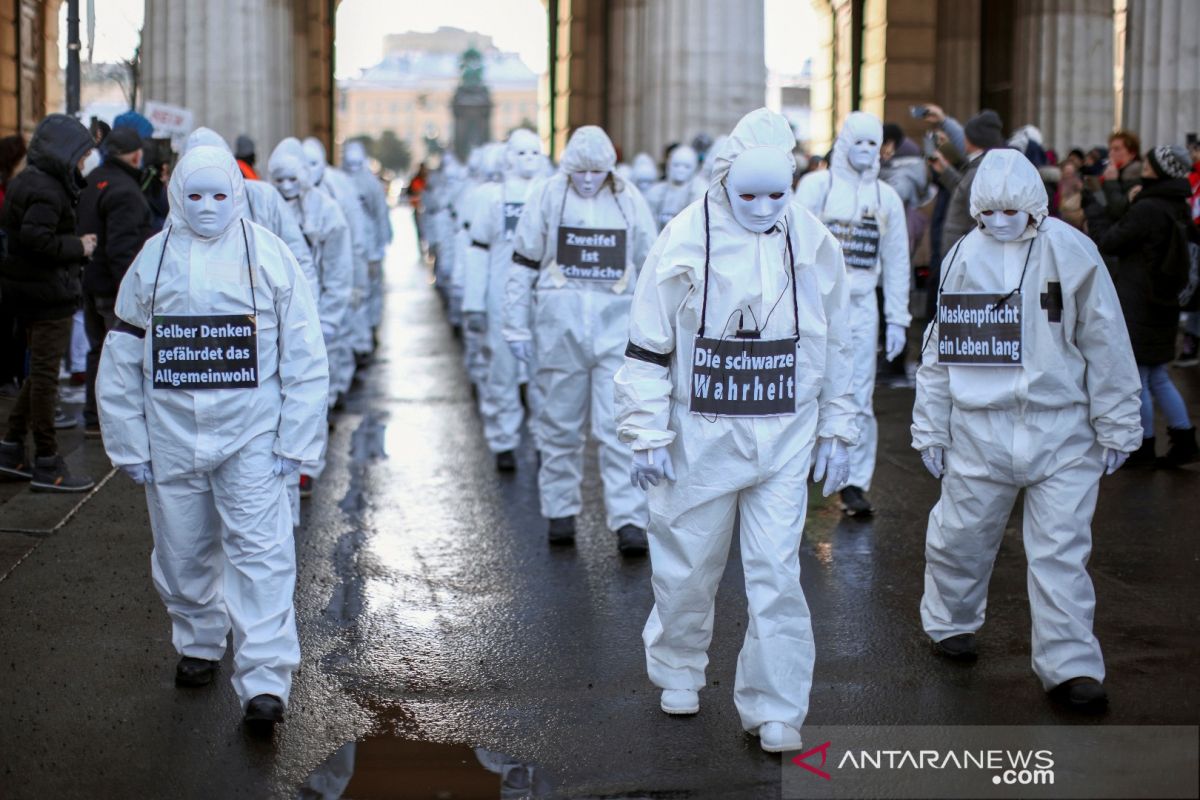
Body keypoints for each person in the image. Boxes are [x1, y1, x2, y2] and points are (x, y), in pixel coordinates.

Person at [615, 107, 855, 753]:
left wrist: (838, 421)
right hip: (702, 433)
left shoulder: (809, 239)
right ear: (724, 180)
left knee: (778, 572)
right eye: (749, 194)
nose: (762, 207)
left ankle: (776, 705)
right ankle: (679, 666)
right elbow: (647, 339)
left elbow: (840, 334)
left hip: (784, 432)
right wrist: (647, 429)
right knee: (688, 564)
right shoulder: (685, 237)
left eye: (776, 194)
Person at [96, 144, 328, 729]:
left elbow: (304, 353)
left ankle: (265, 681)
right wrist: (128, 439)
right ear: (176, 195)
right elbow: (122, 353)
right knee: (182, 550)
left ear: (238, 194)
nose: (206, 208)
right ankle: (199, 641)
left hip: (252, 435)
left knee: (261, 554)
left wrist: (295, 441)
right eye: (194, 196)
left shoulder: (270, 257)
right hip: (172, 435)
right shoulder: (153, 260)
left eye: (218, 195)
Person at [912, 149, 1142, 712]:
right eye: (987, 211)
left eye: (1010, 210)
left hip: (1060, 428)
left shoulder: (1070, 251)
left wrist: (1118, 421)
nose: (999, 221)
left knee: (1061, 553)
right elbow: (943, 348)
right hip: (979, 426)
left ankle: (1070, 666)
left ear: (1035, 206)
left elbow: (1104, 338)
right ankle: (950, 622)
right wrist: (931, 427)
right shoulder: (965, 254)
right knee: (961, 537)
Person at [504, 125, 656, 554]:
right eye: (580, 172)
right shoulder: (548, 195)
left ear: (608, 168)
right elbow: (522, 263)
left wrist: (657, 333)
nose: (588, 180)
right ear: (568, 167)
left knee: (618, 428)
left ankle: (628, 518)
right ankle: (560, 510)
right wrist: (515, 325)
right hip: (559, 329)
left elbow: (651, 265)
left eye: (596, 172)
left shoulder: (628, 199)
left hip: (615, 331)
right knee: (558, 425)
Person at [796, 111, 911, 516]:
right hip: (815, 305)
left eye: (872, 143)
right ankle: (800, 469)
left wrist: (898, 317)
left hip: (862, 308)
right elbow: (792, 243)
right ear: (844, 144)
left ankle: (853, 483)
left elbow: (897, 260)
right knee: (806, 389)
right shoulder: (815, 187)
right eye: (858, 142)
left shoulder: (887, 198)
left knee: (858, 396)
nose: (865, 151)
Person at [0, 114, 96, 491]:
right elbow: (37, 240)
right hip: (48, 296)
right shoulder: (47, 188)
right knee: (44, 381)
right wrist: (80, 246)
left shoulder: (31, 181)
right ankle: (47, 462)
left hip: (33, 293)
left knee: (39, 373)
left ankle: (10, 447)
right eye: (81, 155)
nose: (84, 163)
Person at [1098, 145, 1199, 467]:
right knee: (1157, 376)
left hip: (1138, 299)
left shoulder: (1148, 207)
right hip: (1164, 300)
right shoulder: (1177, 205)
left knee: (1137, 378)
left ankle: (1143, 445)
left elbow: (1111, 240)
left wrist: (1124, 201)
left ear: (1159, 169)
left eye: (1151, 161)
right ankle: (1184, 440)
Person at [268, 137, 355, 499]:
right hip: (273, 314)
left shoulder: (327, 212)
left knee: (310, 391)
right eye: (279, 181)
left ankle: (308, 465)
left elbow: (338, 270)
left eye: (293, 180)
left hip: (313, 313)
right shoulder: (264, 208)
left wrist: (331, 317)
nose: (287, 188)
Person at [462, 129, 544, 471]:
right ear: (508, 157)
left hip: (542, 295)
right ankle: (503, 440)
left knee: (545, 371)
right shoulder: (490, 197)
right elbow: (477, 250)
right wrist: (474, 302)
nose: (527, 160)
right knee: (502, 369)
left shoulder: (549, 194)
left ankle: (544, 440)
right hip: (499, 292)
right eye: (521, 153)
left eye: (534, 153)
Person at [77, 127, 153, 439]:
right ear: (136, 154)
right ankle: (114, 424)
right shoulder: (125, 191)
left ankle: (94, 416)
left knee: (99, 351)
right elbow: (123, 251)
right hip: (113, 290)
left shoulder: (93, 180)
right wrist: (133, 297)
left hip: (91, 282)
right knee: (121, 358)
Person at [302, 137, 370, 395]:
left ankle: (337, 390)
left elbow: (355, 233)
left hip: (337, 267)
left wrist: (361, 272)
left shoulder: (339, 189)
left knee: (338, 331)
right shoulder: (287, 196)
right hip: (308, 277)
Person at [342, 139, 393, 349]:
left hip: (369, 247)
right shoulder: (339, 181)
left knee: (370, 290)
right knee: (352, 294)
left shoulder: (371, 184)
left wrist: (380, 245)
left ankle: (370, 329)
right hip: (347, 247)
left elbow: (380, 214)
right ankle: (356, 340)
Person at [0, 134, 29, 397]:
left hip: (12, 269)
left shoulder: (13, 186)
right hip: (9, 269)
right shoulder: (9, 188)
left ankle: (13, 375)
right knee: (10, 327)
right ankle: (9, 376)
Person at [1083, 130, 1142, 245]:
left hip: (1120, 241)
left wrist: (1111, 182)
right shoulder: (1109, 174)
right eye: (1110, 149)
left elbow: (1118, 210)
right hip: (1102, 235)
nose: (1111, 154)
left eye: (1117, 149)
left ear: (1132, 153)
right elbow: (1099, 204)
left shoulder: (1137, 177)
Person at [644, 145, 703, 230]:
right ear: (669, 165)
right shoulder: (655, 192)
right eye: (676, 165)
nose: (680, 170)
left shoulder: (700, 194)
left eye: (686, 166)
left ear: (694, 168)